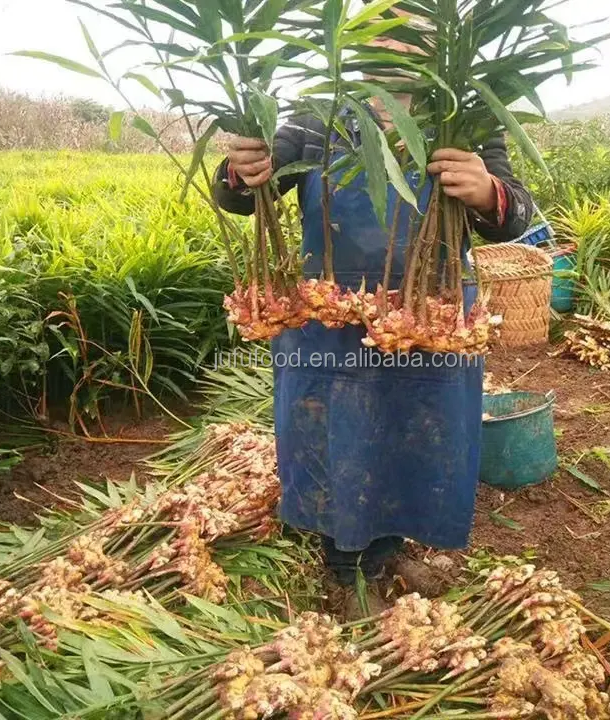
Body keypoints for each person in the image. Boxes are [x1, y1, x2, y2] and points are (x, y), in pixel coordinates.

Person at [213, 67, 534, 617]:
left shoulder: (463, 118)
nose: (389, 40)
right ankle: (345, 569)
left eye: (403, 25)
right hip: (330, 317)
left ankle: (390, 548)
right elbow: (242, 196)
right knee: (338, 431)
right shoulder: (322, 115)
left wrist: (487, 192)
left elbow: (512, 217)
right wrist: (240, 171)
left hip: (430, 316)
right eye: (377, 25)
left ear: (427, 38)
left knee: (418, 429)